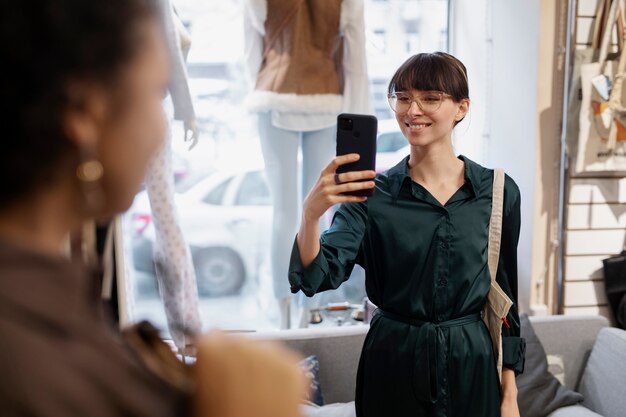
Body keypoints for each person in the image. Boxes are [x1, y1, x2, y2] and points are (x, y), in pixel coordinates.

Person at [0, 1, 305, 416]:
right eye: (154, 90)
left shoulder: (51, 316)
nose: (162, 125)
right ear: (87, 115)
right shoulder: (38, 364)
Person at [289, 52, 526, 417]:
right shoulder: (369, 195)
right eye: (402, 97)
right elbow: (318, 274)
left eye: (430, 98)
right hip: (393, 363)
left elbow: (505, 299)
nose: (412, 110)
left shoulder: (497, 191)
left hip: (471, 364)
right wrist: (310, 214)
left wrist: (509, 396)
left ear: (461, 108)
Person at [243, 0, 372, 328]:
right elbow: (356, 60)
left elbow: (251, 52)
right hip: (327, 100)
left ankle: (283, 308)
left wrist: (254, 92)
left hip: (273, 98)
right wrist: (358, 117)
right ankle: (307, 307)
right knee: (318, 208)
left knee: (284, 211)